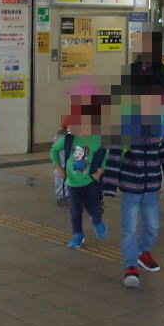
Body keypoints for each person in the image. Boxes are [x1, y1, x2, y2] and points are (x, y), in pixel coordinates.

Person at [103, 29, 164, 288]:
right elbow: (115, 153)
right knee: (130, 226)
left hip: (152, 186)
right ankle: (130, 266)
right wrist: (108, 186)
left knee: (153, 227)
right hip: (131, 184)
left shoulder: (162, 76)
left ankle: (143, 251)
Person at [50, 93, 107, 248]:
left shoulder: (97, 138)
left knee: (93, 206)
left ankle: (97, 220)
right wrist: (58, 166)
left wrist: (100, 170)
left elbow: (105, 154)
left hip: (90, 181)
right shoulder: (69, 139)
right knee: (75, 210)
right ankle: (77, 234)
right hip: (72, 182)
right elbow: (54, 150)